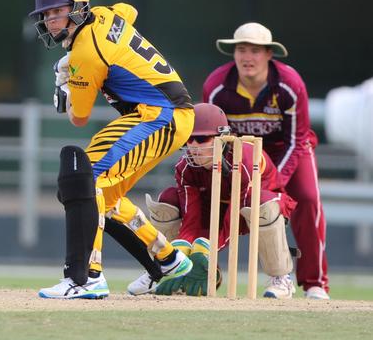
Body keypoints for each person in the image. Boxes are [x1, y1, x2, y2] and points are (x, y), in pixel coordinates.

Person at [27, 0, 195, 299]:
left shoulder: (86, 55)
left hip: (160, 114)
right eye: (45, 15)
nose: (49, 21)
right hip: (161, 113)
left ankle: (88, 277)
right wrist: (72, 60)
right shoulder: (107, 14)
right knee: (104, 195)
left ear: (77, 9)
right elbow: (128, 11)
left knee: (86, 180)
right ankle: (168, 260)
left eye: (56, 12)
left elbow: (78, 117)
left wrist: (65, 85)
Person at [202, 22, 329, 300]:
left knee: (307, 198)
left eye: (256, 51)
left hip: (288, 150)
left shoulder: (289, 84)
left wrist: (277, 183)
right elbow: (213, 138)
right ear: (233, 54)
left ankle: (314, 283)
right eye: (242, 50)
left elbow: (298, 140)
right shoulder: (216, 87)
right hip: (242, 155)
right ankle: (203, 273)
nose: (248, 57)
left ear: (269, 54)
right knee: (211, 201)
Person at [127, 103, 298, 298]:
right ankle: (161, 268)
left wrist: (206, 251)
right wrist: (181, 253)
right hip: (213, 204)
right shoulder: (185, 167)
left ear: (222, 138)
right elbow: (191, 219)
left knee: (260, 204)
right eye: (189, 139)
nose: (194, 146)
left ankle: (281, 278)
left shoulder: (244, 159)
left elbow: (232, 219)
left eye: (201, 138)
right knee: (167, 200)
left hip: (252, 206)